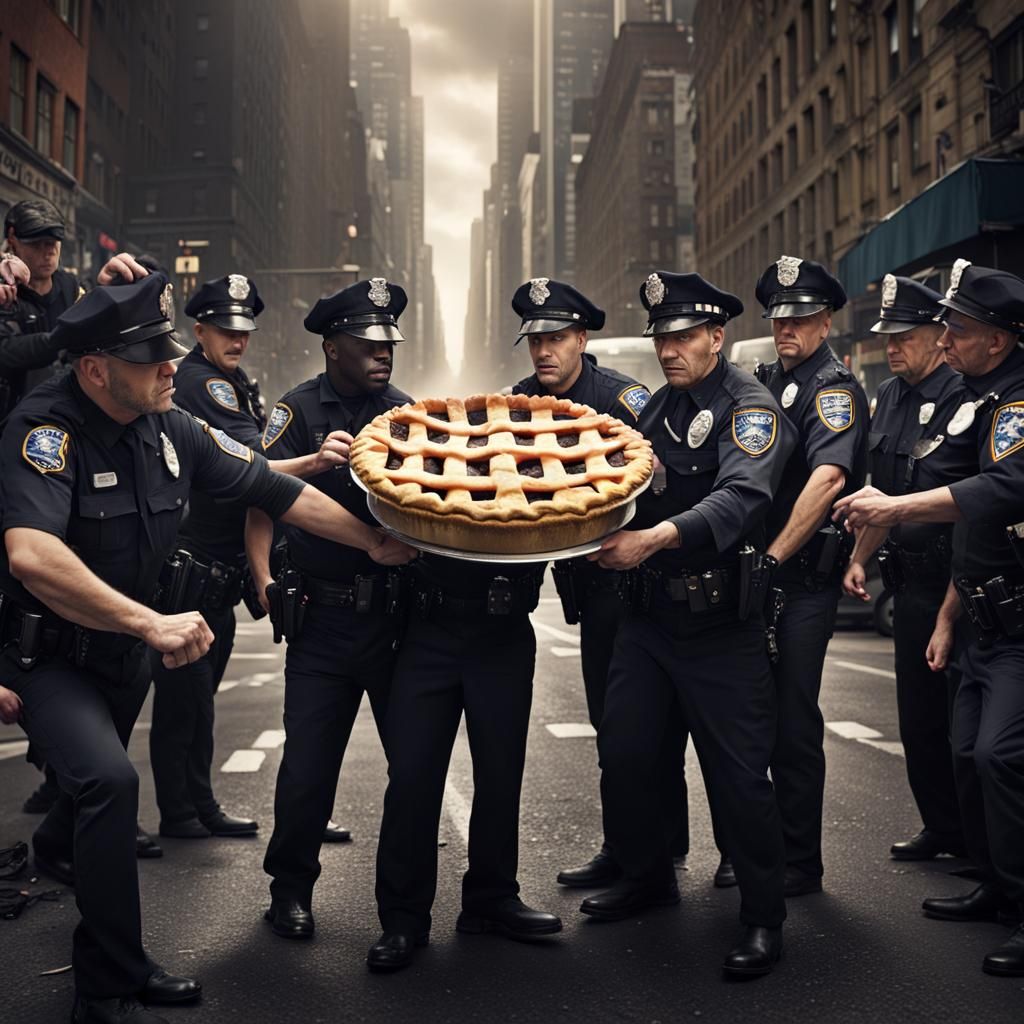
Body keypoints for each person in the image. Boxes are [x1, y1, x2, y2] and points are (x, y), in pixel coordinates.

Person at [0, 272, 415, 1024]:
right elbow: (31, 554)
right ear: (96, 369)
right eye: (150, 358)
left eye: (167, 352)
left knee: (90, 799)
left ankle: (110, 944)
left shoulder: (169, 425)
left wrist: (371, 542)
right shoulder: (44, 429)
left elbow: (274, 490)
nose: (171, 368)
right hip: (53, 652)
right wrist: (150, 623)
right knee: (109, 785)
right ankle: (104, 989)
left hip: (120, 653)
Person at [582, 271, 795, 977]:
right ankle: (648, 878)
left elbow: (740, 498)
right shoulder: (655, 411)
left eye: (683, 336)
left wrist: (655, 538)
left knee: (739, 778)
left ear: (716, 336)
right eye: (662, 337)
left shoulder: (749, 407)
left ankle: (764, 917)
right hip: (647, 621)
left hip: (718, 625)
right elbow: (621, 487)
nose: (670, 349)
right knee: (630, 753)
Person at [835, 261, 1024, 978]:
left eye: (958, 331)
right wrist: (949, 617)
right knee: (966, 749)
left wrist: (895, 509)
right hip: (973, 610)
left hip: (1012, 623)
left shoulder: (1013, 406)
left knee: (1000, 755)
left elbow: (1002, 489)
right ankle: (998, 885)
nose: (945, 342)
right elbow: (976, 543)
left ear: (998, 343)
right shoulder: (977, 398)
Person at [507, 277, 690, 888]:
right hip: (585, 589)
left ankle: (648, 847)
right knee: (612, 725)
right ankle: (638, 842)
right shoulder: (519, 403)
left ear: (582, 339)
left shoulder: (626, 399)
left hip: (636, 583)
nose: (543, 352)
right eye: (535, 341)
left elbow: (671, 479)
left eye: (556, 338)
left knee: (636, 727)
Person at [248, 277, 413, 939]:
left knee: (414, 763)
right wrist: (262, 577)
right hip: (322, 618)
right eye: (368, 343)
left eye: (388, 343)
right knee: (309, 768)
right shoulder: (296, 411)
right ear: (331, 346)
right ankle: (290, 889)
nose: (383, 353)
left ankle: (402, 909)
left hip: (397, 622)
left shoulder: (405, 412)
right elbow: (257, 490)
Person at [718, 255, 867, 898]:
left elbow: (828, 478)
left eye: (801, 317)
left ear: (825, 320)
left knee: (791, 720)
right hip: (759, 576)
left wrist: (773, 558)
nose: (787, 328)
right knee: (743, 718)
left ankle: (799, 859)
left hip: (801, 580)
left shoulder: (833, 389)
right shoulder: (762, 380)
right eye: (779, 317)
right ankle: (748, 850)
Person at [842, 275, 971, 860]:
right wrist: (858, 560)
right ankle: (941, 827)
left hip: (957, 581)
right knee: (918, 721)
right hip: (909, 583)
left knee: (963, 727)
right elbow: (883, 494)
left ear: (937, 335)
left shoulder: (964, 394)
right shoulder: (890, 397)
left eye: (904, 335)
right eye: (887, 336)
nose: (892, 346)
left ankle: (979, 843)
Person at [147, 274, 269, 840]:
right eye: (226, 330)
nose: (237, 340)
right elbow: (254, 457)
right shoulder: (202, 383)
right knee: (183, 700)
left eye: (243, 331)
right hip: (190, 569)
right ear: (200, 331)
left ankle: (198, 803)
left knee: (199, 698)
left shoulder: (236, 380)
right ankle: (181, 811)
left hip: (215, 572)